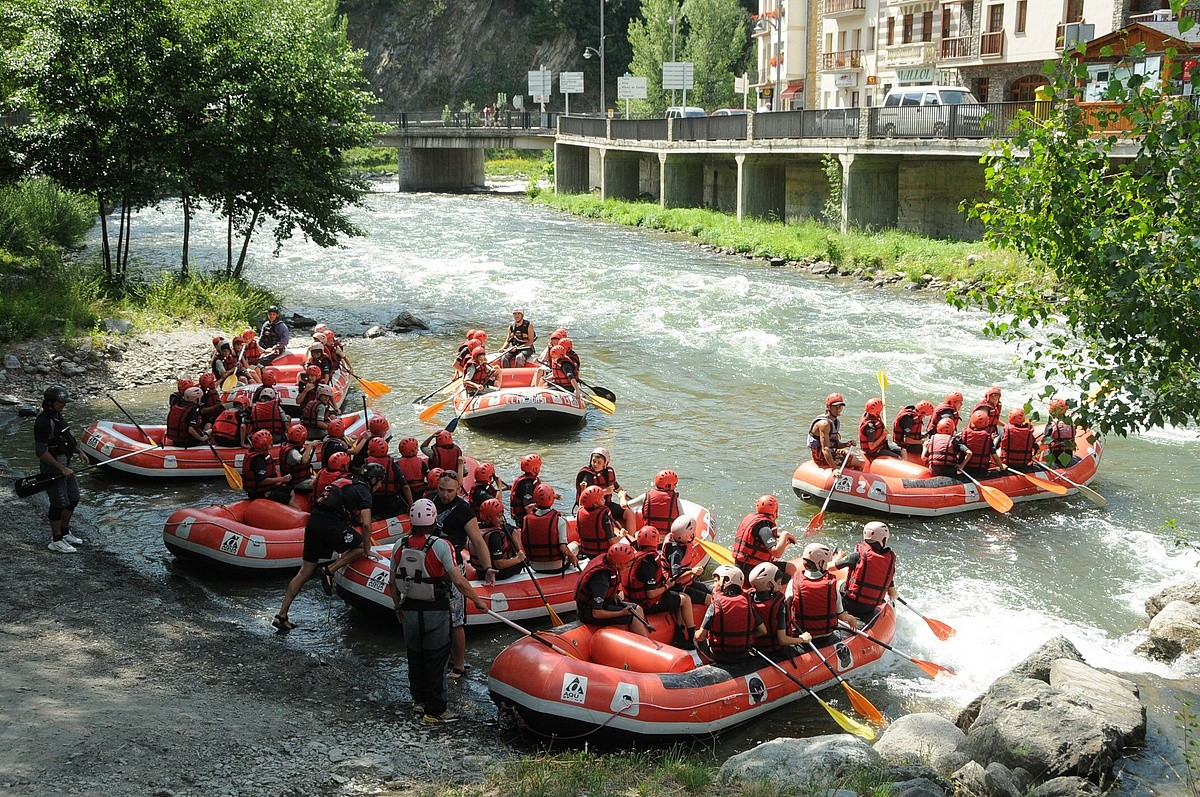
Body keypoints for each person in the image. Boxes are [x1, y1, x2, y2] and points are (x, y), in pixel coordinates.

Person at [390, 498, 489, 724]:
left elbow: (393, 581)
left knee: (415, 657)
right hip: (436, 610)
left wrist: (397, 606)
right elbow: (459, 581)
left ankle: (419, 701)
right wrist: (477, 601)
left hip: (410, 609)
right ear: (434, 520)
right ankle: (436, 711)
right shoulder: (442, 546)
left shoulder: (399, 545)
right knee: (436, 660)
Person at [272, 462, 383, 632]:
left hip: (314, 521)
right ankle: (330, 570)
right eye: (380, 481)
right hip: (329, 524)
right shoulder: (364, 491)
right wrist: (368, 550)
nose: (381, 485)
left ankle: (282, 614)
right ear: (373, 479)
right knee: (361, 546)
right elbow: (367, 524)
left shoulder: (347, 479)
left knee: (304, 571)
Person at [431, 471, 495, 681]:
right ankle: (444, 656)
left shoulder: (464, 510)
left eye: (449, 491)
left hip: (452, 566)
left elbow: (477, 541)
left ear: (458, 490)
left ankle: (458, 663)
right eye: (441, 489)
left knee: (456, 619)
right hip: (430, 563)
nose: (445, 495)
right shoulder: (430, 502)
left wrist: (487, 569)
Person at [623, 526, 695, 649]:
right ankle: (691, 638)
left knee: (676, 598)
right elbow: (651, 593)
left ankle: (679, 634)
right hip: (647, 604)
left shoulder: (635, 553)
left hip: (632, 600)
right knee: (685, 599)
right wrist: (667, 585)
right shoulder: (649, 562)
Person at [36, 385, 83, 553]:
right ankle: (55, 540)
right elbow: (41, 452)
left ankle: (64, 532)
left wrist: (78, 451)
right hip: (53, 468)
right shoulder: (43, 421)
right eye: (61, 402)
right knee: (58, 503)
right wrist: (61, 468)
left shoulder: (58, 416)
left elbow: (66, 439)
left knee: (73, 498)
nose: (64, 405)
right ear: (50, 403)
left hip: (66, 465)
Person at [574, 541, 648, 637]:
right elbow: (596, 613)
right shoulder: (601, 580)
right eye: (628, 566)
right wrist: (621, 613)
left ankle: (645, 639)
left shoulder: (609, 564)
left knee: (637, 609)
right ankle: (643, 645)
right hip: (588, 613)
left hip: (603, 604)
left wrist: (614, 595)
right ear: (618, 565)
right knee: (632, 616)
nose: (628, 569)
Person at [695, 566, 766, 664]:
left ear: (725, 581)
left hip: (719, 656)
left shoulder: (715, 606)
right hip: (743, 654)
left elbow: (700, 637)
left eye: (715, 581)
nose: (713, 584)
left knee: (695, 637)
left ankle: (708, 663)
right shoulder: (747, 604)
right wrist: (746, 636)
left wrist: (696, 633)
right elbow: (763, 631)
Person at [791, 543, 857, 647]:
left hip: (801, 634)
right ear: (820, 563)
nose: (827, 565)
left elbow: (786, 609)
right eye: (826, 563)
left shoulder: (793, 583)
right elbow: (841, 616)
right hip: (825, 636)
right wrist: (851, 619)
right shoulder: (831, 584)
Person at [833, 521, 898, 624]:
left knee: (838, 583)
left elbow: (830, 568)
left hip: (850, 603)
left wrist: (837, 558)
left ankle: (838, 613)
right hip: (870, 607)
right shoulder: (889, 560)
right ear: (884, 538)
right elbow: (892, 593)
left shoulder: (857, 556)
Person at [748, 562, 813, 657]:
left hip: (756, 647)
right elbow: (782, 640)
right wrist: (802, 639)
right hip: (774, 650)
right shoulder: (779, 605)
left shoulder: (748, 598)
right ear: (769, 584)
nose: (780, 587)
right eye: (778, 583)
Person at [732, 494, 796, 580]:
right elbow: (777, 553)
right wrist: (785, 534)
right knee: (788, 579)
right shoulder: (764, 527)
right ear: (775, 510)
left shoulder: (756, 522)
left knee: (790, 567)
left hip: (745, 566)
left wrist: (783, 540)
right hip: (751, 573)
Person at [520, 483, 579, 573]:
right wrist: (572, 556)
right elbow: (563, 548)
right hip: (556, 566)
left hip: (534, 566)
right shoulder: (559, 520)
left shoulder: (526, 520)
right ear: (552, 500)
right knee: (575, 544)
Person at [575, 447, 632, 530]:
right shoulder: (588, 476)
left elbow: (618, 489)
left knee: (629, 513)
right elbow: (586, 497)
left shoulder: (608, 473)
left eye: (599, 462)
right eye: (594, 461)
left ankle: (632, 539)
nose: (595, 464)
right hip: (593, 509)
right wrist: (605, 492)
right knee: (608, 519)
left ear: (605, 464)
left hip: (607, 505)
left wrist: (632, 500)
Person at [662, 515, 712, 608]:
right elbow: (676, 578)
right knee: (710, 599)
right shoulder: (675, 553)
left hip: (688, 583)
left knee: (713, 591)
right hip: (678, 588)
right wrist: (692, 571)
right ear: (687, 535)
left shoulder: (678, 540)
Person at [470, 498, 526, 580]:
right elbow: (498, 564)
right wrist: (518, 559)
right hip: (497, 574)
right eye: (499, 516)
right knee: (521, 563)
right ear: (489, 518)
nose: (502, 519)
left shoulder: (477, 529)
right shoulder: (495, 535)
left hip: (481, 572)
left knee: (512, 529)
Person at [808, 393, 863, 469]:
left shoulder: (836, 422)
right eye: (835, 406)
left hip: (832, 451)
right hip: (821, 457)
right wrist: (834, 468)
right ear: (829, 407)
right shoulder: (824, 424)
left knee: (859, 457)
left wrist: (847, 444)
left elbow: (836, 445)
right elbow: (825, 448)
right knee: (861, 463)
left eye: (840, 406)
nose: (838, 409)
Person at [625, 469, 682, 535]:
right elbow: (682, 519)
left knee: (637, 533)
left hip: (649, 536)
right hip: (667, 537)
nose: (675, 486)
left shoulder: (646, 496)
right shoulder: (676, 500)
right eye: (675, 484)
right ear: (668, 486)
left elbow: (624, 505)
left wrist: (621, 496)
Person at [242, 429, 291, 502]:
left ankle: (296, 509)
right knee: (288, 498)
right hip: (258, 493)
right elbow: (263, 481)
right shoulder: (258, 460)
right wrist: (282, 479)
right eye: (270, 442)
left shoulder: (258, 453)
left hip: (267, 488)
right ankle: (297, 512)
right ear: (264, 446)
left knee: (290, 489)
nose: (272, 443)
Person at [575, 485, 620, 560]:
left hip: (587, 552)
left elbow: (581, 502)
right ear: (595, 504)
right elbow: (612, 541)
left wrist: (583, 490)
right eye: (602, 499)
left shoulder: (580, 511)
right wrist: (622, 535)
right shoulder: (604, 517)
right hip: (602, 554)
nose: (604, 500)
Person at [365, 436, 405, 519]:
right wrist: (411, 504)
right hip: (391, 502)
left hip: (374, 501)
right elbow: (405, 486)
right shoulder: (392, 464)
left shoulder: (367, 464)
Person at [960, 408, 1004, 477]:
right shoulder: (987, 437)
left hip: (966, 468)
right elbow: (994, 456)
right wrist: (1002, 467)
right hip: (981, 469)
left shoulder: (964, 434)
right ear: (986, 423)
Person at [279, 422, 316, 496]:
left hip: (302, 479)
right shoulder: (293, 452)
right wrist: (310, 446)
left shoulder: (292, 447)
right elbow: (304, 460)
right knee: (318, 485)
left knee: (319, 480)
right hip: (296, 482)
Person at [859, 397, 900, 461]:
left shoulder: (869, 414)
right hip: (874, 451)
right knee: (899, 459)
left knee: (903, 450)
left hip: (882, 446)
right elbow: (871, 446)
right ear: (877, 411)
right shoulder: (870, 426)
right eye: (880, 409)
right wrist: (883, 435)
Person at [1040, 397, 1077, 467]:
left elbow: (1044, 443)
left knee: (1042, 452)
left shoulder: (1051, 425)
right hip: (1069, 455)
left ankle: (1043, 468)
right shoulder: (1070, 423)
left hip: (1055, 457)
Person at [394, 436, 427, 512]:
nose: (418, 450)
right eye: (416, 448)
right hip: (421, 493)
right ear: (411, 451)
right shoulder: (421, 462)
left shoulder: (397, 464)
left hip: (405, 496)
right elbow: (429, 477)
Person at [508, 453, 542, 525]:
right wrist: (541, 503)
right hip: (524, 520)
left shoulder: (524, 479)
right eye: (539, 467)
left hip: (521, 518)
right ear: (535, 469)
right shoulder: (528, 485)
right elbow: (528, 508)